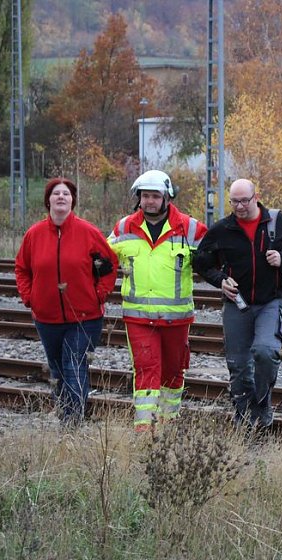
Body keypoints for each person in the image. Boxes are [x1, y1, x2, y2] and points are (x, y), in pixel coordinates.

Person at [193, 179, 282, 430]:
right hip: (237, 304)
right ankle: (243, 416)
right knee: (238, 364)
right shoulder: (223, 229)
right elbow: (200, 262)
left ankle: (262, 404)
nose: (240, 206)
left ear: (256, 197)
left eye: (245, 200)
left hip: (270, 302)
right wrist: (220, 280)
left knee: (265, 352)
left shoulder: (276, 222)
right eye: (235, 201)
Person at [107, 169, 208, 432]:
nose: (149, 201)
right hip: (138, 318)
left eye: (155, 196)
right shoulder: (123, 227)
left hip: (177, 319)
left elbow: (214, 259)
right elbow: (101, 259)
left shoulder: (191, 228)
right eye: (145, 196)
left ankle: (168, 424)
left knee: (173, 373)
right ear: (138, 198)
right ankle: (144, 430)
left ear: (167, 197)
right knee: (146, 369)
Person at [15, 177, 118, 426]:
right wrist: (30, 299)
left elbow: (108, 267)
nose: (61, 197)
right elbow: (22, 269)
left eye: (66, 194)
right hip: (47, 318)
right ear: (48, 200)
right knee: (58, 371)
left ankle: (71, 424)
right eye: (56, 193)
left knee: (73, 366)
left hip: (85, 318)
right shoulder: (34, 235)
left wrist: (98, 296)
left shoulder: (89, 233)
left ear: (72, 201)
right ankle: (66, 414)